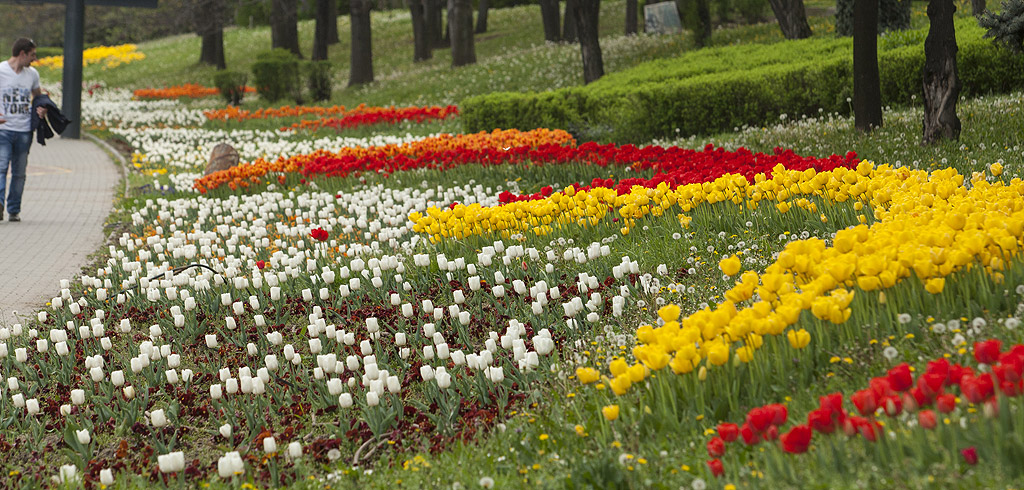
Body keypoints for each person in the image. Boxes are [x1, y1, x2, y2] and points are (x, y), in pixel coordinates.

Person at [0, 37, 46, 223]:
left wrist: (41, 108)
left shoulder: (32, 74)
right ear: (22, 53)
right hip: (3, 129)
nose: (34, 59)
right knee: (1, 168)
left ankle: (13, 210)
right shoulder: (1, 70)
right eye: (32, 55)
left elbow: (38, 96)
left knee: (19, 172)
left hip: (24, 130)